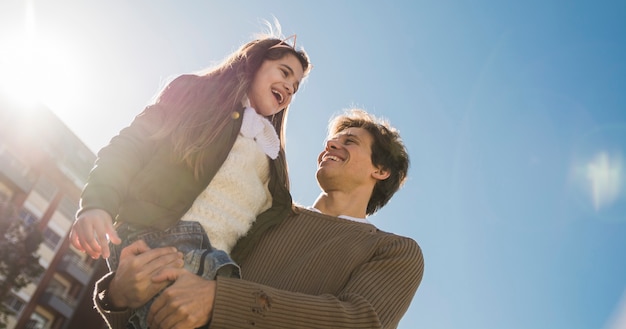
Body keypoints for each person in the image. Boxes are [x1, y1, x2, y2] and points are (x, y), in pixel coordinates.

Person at [70, 23, 311, 329]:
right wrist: (97, 203)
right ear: (254, 63)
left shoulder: (271, 156)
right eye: (284, 72)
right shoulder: (195, 94)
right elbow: (129, 146)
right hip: (160, 238)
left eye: (296, 86)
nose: (290, 87)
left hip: (216, 266)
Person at [93, 108, 425, 329]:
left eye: (349, 141)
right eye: (332, 139)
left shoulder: (394, 251)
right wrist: (120, 297)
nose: (330, 144)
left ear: (380, 170)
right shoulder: (262, 216)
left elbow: (359, 322)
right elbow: (173, 302)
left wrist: (221, 300)